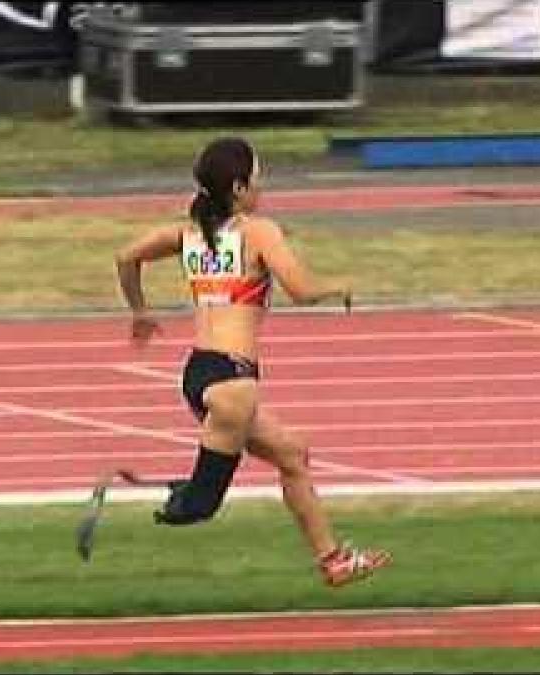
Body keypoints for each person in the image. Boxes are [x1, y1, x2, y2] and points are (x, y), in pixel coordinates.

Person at [114, 137, 392, 588]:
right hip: (233, 382)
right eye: (258, 178)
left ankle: (333, 560)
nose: (263, 186)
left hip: (202, 375)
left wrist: (140, 311)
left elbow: (126, 257)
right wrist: (337, 285)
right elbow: (301, 291)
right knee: (200, 506)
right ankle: (142, 487)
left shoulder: (186, 234)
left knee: (292, 454)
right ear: (239, 188)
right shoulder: (259, 231)